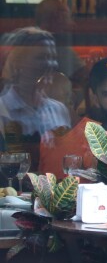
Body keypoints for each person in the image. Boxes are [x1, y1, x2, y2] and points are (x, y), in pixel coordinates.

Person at [0, 27, 72, 171]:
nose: (51, 64)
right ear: (17, 62)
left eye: (53, 58)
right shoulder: (2, 108)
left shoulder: (59, 110)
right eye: (42, 57)